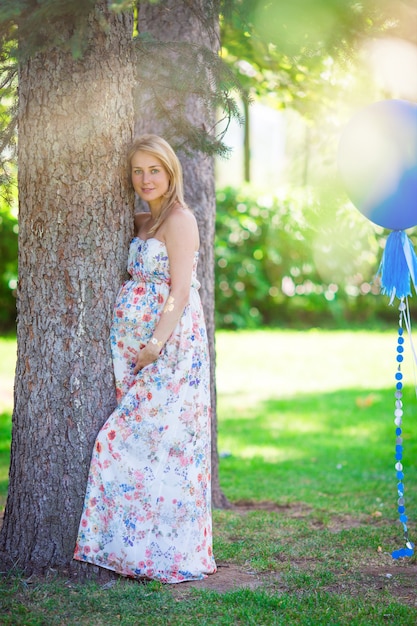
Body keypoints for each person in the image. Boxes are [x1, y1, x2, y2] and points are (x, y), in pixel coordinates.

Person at [73, 134, 217, 583]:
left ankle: (168, 554)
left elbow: (178, 290)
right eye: (137, 171)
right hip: (133, 354)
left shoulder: (179, 220)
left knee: (133, 442)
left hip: (170, 351)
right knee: (147, 450)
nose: (145, 179)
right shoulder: (142, 220)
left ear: (170, 171)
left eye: (154, 169)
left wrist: (155, 342)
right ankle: (136, 552)